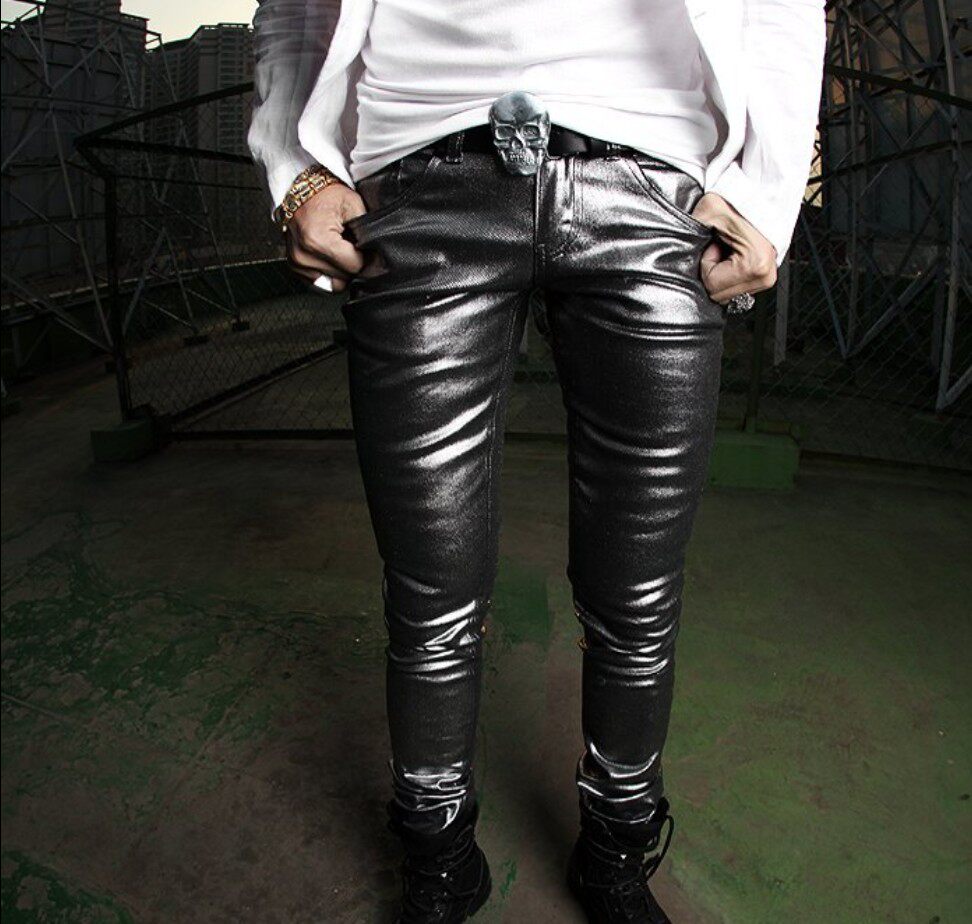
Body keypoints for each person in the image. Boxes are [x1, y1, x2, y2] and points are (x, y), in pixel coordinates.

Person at [248, 2, 826, 921]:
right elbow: (288, 11)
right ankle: (439, 860)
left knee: (638, 594)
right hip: (421, 185)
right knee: (428, 590)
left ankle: (617, 855)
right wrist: (297, 171)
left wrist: (770, 190)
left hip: (653, 190)